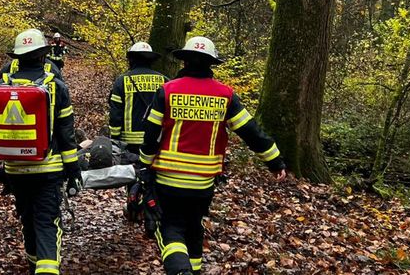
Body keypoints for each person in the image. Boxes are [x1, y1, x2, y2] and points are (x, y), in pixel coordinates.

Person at [137, 36, 287, 275]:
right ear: (211, 64)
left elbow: (151, 135)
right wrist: (275, 160)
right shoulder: (225, 95)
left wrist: (143, 166)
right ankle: (194, 270)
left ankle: (181, 271)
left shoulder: (167, 91)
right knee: (194, 227)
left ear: (184, 61)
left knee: (171, 229)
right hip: (203, 183)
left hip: (168, 180)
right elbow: (251, 132)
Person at [0, 28, 83, 275]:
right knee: (47, 223)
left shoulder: (0, 88)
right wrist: (73, 170)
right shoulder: (56, 87)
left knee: (28, 221)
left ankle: (33, 265)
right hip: (48, 169)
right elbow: (66, 135)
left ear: (16, 57)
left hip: (15, 170)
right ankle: (46, 269)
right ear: (43, 56)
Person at [108, 42, 168, 153]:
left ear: (131, 59)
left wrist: (114, 139)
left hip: (128, 145)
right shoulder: (164, 81)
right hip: (156, 142)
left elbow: (115, 114)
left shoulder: (122, 81)